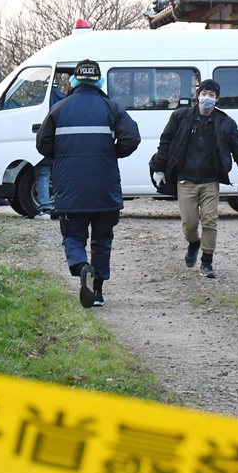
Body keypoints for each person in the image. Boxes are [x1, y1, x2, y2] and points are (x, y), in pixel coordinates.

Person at [36, 59, 140, 308]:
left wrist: (63, 156)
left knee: (73, 236)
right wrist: (111, 153)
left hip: (70, 187)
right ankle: (99, 291)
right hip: (105, 187)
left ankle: (82, 266)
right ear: (99, 81)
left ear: (74, 80)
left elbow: (42, 144)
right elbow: (132, 138)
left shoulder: (59, 108)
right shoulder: (112, 108)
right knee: (102, 239)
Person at [150, 79, 238, 279]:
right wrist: (159, 169)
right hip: (185, 180)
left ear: (217, 99)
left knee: (210, 221)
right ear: (197, 96)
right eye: (204, 94)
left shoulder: (226, 123)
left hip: (210, 180)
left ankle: (207, 262)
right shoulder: (181, 117)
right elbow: (165, 142)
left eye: (211, 95)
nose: (207, 98)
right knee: (189, 225)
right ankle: (193, 243)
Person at [34, 83, 66, 219]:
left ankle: (45, 209)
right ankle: (61, 207)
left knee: (43, 175)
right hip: (61, 144)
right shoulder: (64, 100)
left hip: (46, 143)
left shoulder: (39, 100)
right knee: (61, 176)